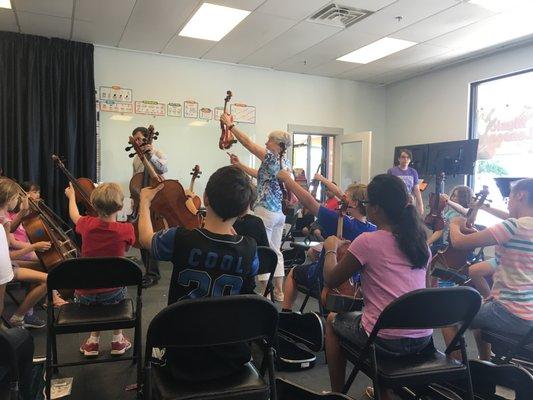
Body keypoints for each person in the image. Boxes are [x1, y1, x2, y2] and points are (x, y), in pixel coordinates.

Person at [138, 165, 259, 381]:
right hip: (231, 355)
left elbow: (146, 238)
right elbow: (248, 269)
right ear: (243, 211)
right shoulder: (250, 249)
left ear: (205, 198)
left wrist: (144, 202)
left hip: (182, 352)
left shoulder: (179, 238)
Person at [323, 174, 432, 399]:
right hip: (424, 339)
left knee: (333, 320)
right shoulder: (420, 244)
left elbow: (331, 279)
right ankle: (384, 390)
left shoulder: (368, 241)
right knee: (380, 319)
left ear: (376, 209)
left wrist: (331, 248)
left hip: (385, 341)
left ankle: (337, 394)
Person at [449, 178, 533, 361]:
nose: (508, 202)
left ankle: (456, 373)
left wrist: (454, 224)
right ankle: (485, 367)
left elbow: (459, 242)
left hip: (510, 313)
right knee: (481, 313)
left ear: (520, 195)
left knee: (446, 313)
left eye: (509, 197)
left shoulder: (513, 226)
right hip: (529, 315)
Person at [277, 170, 376, 312]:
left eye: (346, 197)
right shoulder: (373, 228)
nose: (342, 198)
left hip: (328, 277)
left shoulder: (345, 223)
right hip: (358, 283)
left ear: (353, 203)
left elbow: (309, 202)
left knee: (294, 272)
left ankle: (286, 314)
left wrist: (288, 180)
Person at [221, 113, 291, 302]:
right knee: (276, 251)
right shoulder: (285, 162)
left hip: (265, 211)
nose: (266, 143)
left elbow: (249, 145)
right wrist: (239, 164)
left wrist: (231, 126)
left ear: (278, 144)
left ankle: (265, 290)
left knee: (260, 250)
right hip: (279, 214)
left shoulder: (271, 158)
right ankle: (278, 290)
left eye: (269, 140)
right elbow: (261, 176)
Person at [65, 182, 135, 357]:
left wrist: (72, 196)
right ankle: (118, 339)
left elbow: (74, 214)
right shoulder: (126, 229)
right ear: (119, 206)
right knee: (117, 284)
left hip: (84, 294)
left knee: (96, 287)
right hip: (113, 294)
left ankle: (93, 342)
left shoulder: (86, 224)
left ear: (94, 205)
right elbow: (126, 249)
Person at [0, 178, 49, 329]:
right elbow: (7, 257)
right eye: (16, 198)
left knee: (41, 268)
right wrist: (33, 246)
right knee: (48, 279)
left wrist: (23, 211)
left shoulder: (5, 218)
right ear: (9, 199)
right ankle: (19, 316)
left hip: (9, 265)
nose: (18, 201)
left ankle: (27, 313)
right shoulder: (4, 222)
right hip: (7, 267)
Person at [131, 126, 168, 289]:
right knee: (141, 236)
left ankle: (153, 274)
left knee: (151, 236)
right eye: (135, 139)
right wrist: (134, 198)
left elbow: (163, 169)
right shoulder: (135, 159)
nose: (137, 142)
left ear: (147, 138)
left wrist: (150, 155)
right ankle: (147, 271)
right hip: (140, 200)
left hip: (155, 202)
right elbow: (135, 179)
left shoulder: (158, 154)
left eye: (139, 139)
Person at [387, 149, 424, 215]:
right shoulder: (391, 171)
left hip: (409, 203)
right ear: (399, 159)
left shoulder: (413, 172)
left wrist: (421, 205)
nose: (406, 159)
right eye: (403, 157)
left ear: (410, 159)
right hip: (395, 203)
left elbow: (417, 190)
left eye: (408, 157)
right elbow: (389, 189)